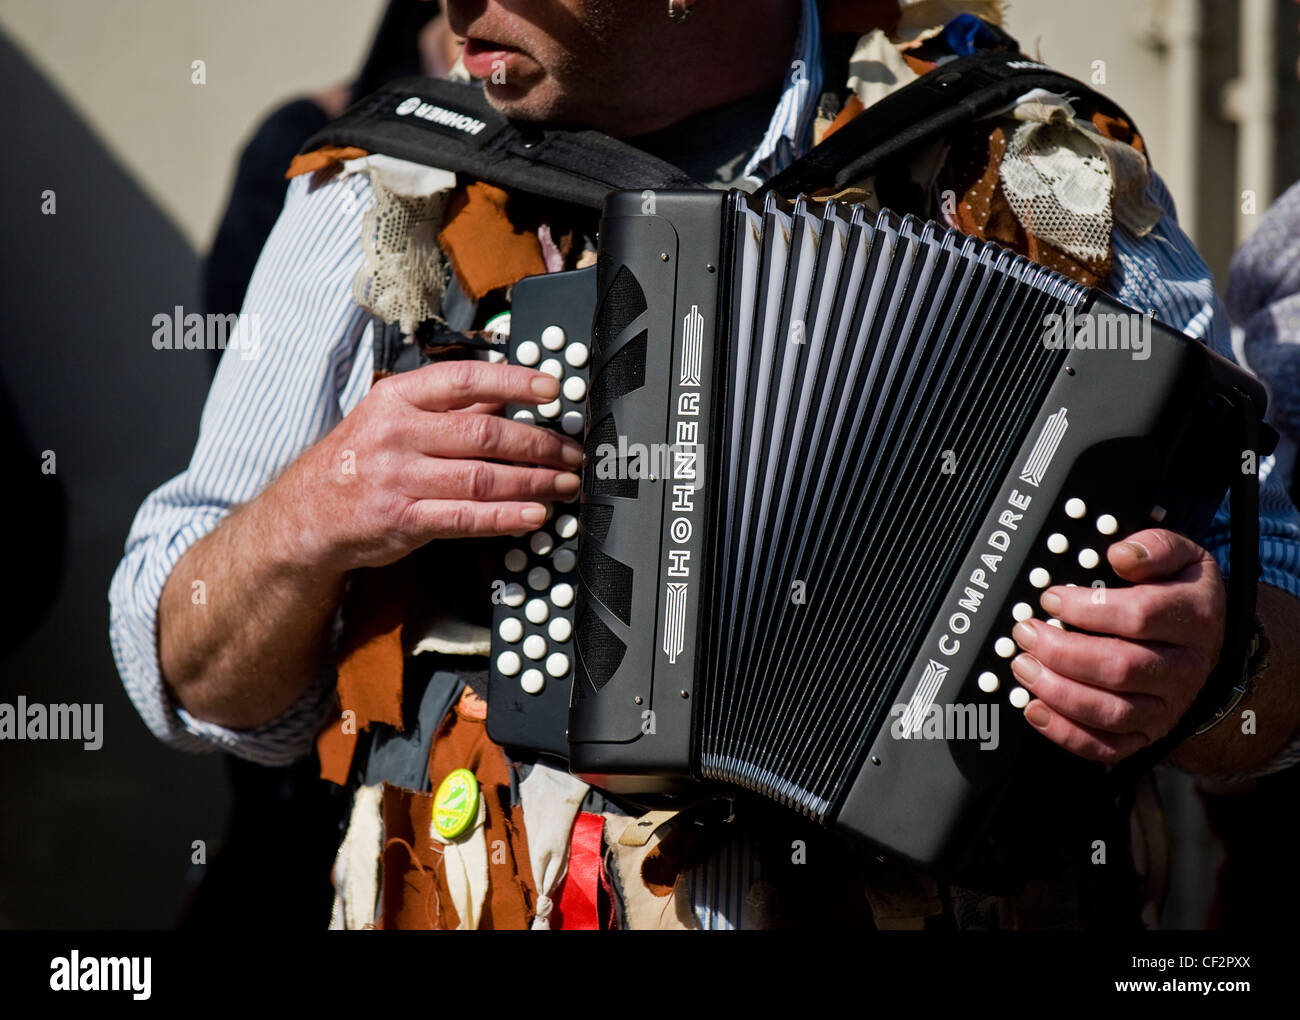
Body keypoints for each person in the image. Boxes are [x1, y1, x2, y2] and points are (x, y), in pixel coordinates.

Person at [111, 0, 1300, 929]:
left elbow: (1278, 677)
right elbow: (188, 676)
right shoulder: (381, 199)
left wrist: (1208, 670)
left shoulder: (1041, 172)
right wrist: (307, 518)